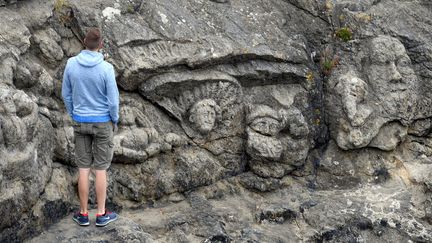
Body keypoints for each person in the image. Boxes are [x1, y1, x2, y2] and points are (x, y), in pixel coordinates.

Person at [62, 28, 119, 227]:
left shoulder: (71, 64)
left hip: (80, 121)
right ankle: (102, 214)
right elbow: (113, 101)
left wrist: (73, 113)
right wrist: (115, 119)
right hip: (103, 122)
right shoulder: (106, 68)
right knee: (101, 169)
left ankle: (84, 214)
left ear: (84, 42)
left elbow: (66, 94)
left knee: (83, 169)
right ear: (101, 45)